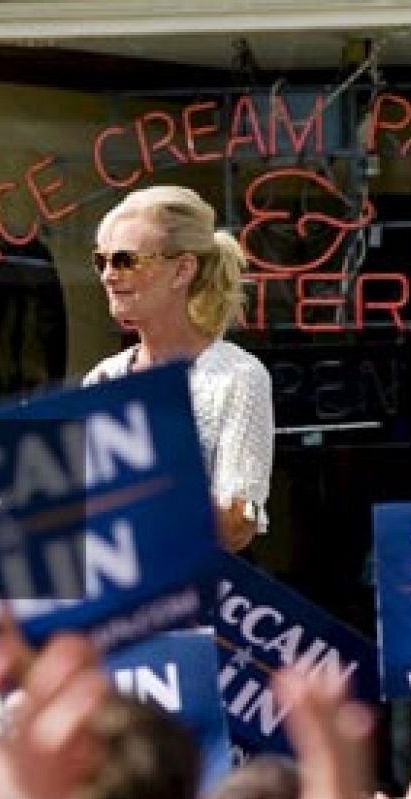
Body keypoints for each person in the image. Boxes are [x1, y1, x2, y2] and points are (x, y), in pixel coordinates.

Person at [82, 185, 274, 553]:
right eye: (101, 261)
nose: (108, 275)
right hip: (116, 597)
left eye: (126, 260)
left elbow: (237, 525)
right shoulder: (104, 378)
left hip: (194, 598)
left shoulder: (236, 377)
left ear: (182, 270)